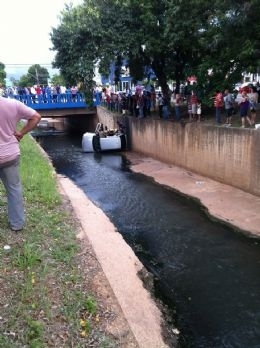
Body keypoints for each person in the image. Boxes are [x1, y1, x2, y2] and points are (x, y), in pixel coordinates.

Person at [0, 96, 41, 231]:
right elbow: (36, 117)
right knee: (13, 189)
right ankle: (17, 224)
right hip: (10, 154)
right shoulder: (13, 104)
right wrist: (21, 133)